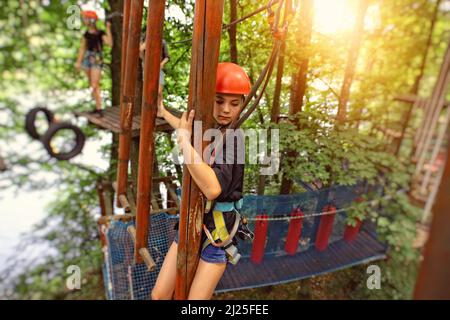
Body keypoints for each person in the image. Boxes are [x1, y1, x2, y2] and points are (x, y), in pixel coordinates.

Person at [151, 62, 253, 300]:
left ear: (242, 105)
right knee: (159, 295)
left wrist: (184, 143)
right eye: (219, 101)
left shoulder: (234, 139)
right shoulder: (210, 126)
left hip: (218, 234)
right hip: (191, 224)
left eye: (234, 103)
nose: (226, 109)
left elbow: (213, 188)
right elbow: (187, 127)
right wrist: (164, 112)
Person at [75, 10, 113, 117]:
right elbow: (82, 49)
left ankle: (99, 108)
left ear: (91, 20)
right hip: (87, 59)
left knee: (95, 85)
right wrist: (78, 62)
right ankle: (97, 107)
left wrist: (108, 28)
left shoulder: (100, 33)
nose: (84, 20)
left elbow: (109, 43)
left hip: (97, 58)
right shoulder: (86, 34)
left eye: (86, 18)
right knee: (92, 85)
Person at [139, 38, 169, 106]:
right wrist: (140, 50)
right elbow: (141, 57)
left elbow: (167, 57)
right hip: (147, 67)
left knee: (159, 92)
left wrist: (162, 64)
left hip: (158, 67)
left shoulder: (162, 41)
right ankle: (149, 107)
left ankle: (160, 108)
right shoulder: (143, 41)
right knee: (148, 90)